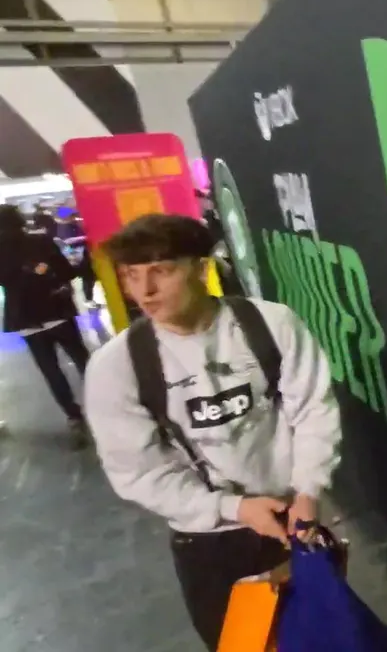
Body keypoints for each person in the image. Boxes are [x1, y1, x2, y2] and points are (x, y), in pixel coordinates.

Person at [83, 213, 343, 650]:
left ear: (201, 268)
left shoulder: (270, 324)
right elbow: (138, 471)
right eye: (131, 276)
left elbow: (314, 408)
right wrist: (234, 508)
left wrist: (309, 490)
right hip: (209, 540)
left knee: (326, 639)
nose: (144, 291)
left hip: (293, 519)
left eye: (161, 271)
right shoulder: (117, 366)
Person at [0, 204, 91, 447]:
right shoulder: (40, 241)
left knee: (51, 371)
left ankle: (73, 417)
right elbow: (67, 272)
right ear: (20, 219)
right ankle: (105, 403)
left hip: (25, 319)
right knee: (82, 359)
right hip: (55, 310)